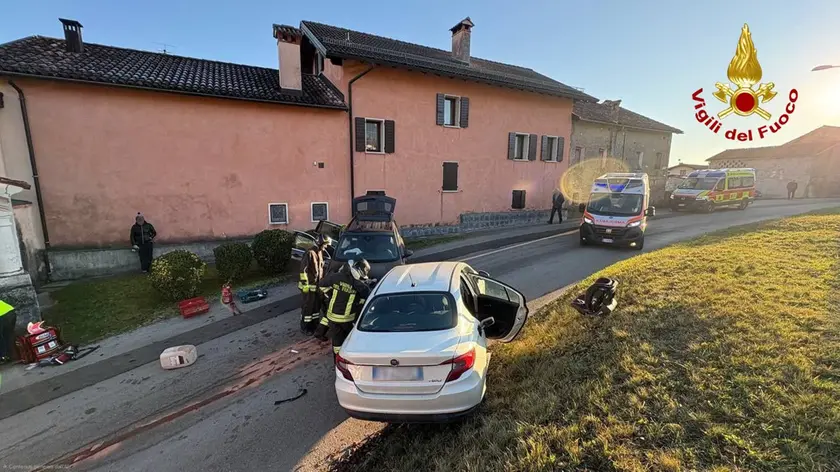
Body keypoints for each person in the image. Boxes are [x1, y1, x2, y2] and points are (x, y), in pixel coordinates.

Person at [317, 259, 372, 356]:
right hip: (347, 320)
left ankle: (338, 361)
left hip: (332, 317)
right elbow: (368, 298)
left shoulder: (336, 277)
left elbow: (321, 285)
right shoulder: (359, 285)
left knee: (337, 343)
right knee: (350, 341)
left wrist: (331, 295)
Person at [298, 234, 331, 335]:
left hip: (317, 286)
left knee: (316, 308)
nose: (326, 247)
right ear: (320, 243)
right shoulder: (310, 253)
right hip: (308, 288)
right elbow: (303, 271)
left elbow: (320, 270)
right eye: (325, 245)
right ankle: (305, 328)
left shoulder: (319, 252)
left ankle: (314, 325)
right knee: (308, 308)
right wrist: (305, 287)